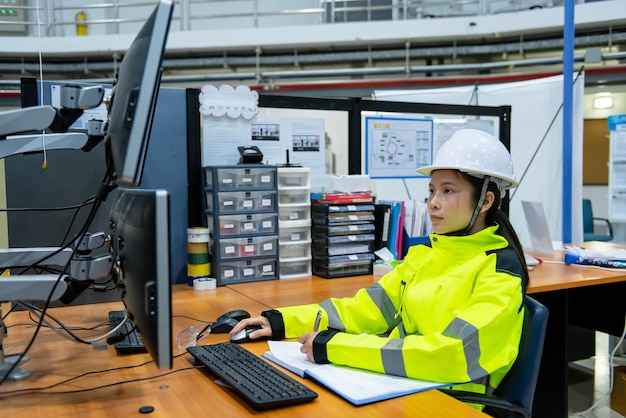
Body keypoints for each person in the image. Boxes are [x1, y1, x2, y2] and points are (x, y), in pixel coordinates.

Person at [231, 128, 529, 401]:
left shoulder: (500, 271)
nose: (433, 202)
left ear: (486, 201)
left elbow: (451, 354)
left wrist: (335, 348)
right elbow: (365, 309)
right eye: (432, 191)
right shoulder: (426, 254)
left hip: (450, 400)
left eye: (448, 191)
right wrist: (282, 321)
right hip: (399, 386)